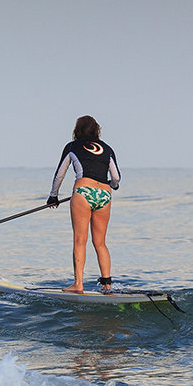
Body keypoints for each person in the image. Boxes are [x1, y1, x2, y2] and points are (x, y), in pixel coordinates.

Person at [47, 116, 120, 293]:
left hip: (83, 193)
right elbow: (116, 177)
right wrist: (113, 185)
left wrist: (53, 196)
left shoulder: (72, 146)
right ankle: (107, 285)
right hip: (104, 195)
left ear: (77, 130)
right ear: (97, 130)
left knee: (80, 240)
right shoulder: (107, 148)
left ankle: (78, 284)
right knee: (100, 243)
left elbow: (60, 175)